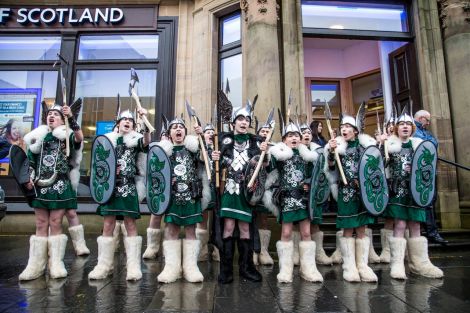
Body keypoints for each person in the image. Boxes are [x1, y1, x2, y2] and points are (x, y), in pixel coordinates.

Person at [19, 103, 84, 280]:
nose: (51, 116)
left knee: (55, 222)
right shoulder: (38, 138)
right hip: (40, 186)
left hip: (60, 185)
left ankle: (56, 263)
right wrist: (29, 178)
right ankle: (35, 265)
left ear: (61, 119)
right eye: (49, 114)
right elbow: (30, 161)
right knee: (40, 223)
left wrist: (71, 117)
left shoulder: (66, 136)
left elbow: (79, 138)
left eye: (56, 114)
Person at [380, 108, 443, 279]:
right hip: (398, 190)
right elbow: (379, 165)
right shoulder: (390, 145)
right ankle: (397, 264)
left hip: (415, 191)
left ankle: (420, 263)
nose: (405, 127)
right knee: (399, 225)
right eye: (402, 124)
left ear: (413, 128)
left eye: (408, 124)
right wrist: (381, 144)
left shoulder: (418, 146)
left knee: (416, 225)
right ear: (396, 128)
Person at [88, 109, 150, 281]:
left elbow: (146, 141)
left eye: (131, 120)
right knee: (108, 225)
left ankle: (133, 267)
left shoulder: (135, 141)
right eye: (124, 119)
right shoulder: (107, 141)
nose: (127, 122)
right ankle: (104, 266)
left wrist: (144, 121)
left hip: (128, 187)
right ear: (118, 123)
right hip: (110, 188)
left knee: (130, 225)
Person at [211, 105, 265, 284]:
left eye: (247, 120)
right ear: (233, 122)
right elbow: (215, 166)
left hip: (246, 192)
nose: (244, 122)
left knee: (244, 228)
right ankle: (226, 271)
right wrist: (216, 158)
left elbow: (263, 167)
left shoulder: (256, 142)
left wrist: (266, 152)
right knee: (228, 227)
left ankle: (246, 268)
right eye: (240, 119)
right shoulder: (223, 140)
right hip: (229, 190)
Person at [324, 110, 378, 282]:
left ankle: (362, 265)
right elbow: (331, 168)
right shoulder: (338, 148)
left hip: (361, 193)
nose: (344, 130)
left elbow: (372, 168)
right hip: (346, 192)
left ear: (355, 130)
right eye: (342, 127)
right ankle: (349, 266)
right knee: (348, 228)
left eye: (347, 127)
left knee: (362, 229)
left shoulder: (364, 148)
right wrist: (332, 154)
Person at [266, 121, 323, 283]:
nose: (293, 138)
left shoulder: (307, 156)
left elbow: (316, 175)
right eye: (290, 136)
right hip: (287, 200)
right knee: (286, 233)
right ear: (284, 140)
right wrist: (266, 153)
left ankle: (308, 269)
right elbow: (268, 167)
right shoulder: (280, 155)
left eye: (296, 135)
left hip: (303, 200)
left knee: (306, 233)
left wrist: (308, 182)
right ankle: (285, 270)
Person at [155, 116, 208, 283]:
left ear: (185, 132)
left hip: (191, 197)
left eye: (181, 127)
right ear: (169, 133)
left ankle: (190, 267)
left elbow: (206, 161)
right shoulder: (164, 153)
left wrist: (202, 140)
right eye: (174, 127)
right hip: (172, 197)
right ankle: (172, 268)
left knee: (191, 230)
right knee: (171, 230)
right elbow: (156, 173)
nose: (178, 129)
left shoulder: (193, 150)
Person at [413, 110, 447, 245]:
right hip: (420, 172)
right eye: (427, 120)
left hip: (429, 170)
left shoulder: (424, 131)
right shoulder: (415, 130)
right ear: (421, 118)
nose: (428, 123)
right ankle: (430, 232)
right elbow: (429, 144)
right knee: (425, 202)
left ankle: (430, 231)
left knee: (430, 202)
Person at [300, 123, 332, 265]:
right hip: (298, 194)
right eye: (303, 132)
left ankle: (319, 253)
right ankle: (297, 254)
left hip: (314, 194)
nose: (306, 134)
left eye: (308, 132)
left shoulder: (319, 152)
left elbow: (323, 172)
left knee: (315, 223)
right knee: (297, 225)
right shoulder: (293, 151)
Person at [252, 121, 274, 266]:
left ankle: (263, 251)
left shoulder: (274, 149)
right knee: (251, 220)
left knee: (264, 219)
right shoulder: (251, 148)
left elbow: (271, 168)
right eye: (262, 131)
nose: (265, 133)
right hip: (252, 188)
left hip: (266, 188)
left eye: (267, 131)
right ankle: (253, 251)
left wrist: (267, 152)